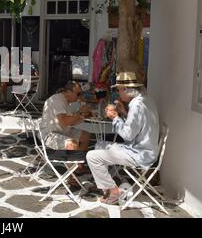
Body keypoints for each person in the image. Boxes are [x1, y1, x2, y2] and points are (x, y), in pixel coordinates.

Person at [86, 72, 160, 205]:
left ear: (126, 90)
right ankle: (107, 184)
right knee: (100, 145)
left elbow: (127, 135)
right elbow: (138, 126)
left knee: (92, 156)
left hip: (140, 154)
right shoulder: (146, 99)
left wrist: (115, 117)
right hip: (146, 150)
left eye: (119, 90)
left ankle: (114, 192)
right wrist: (123, 113)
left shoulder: (136, 105)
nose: (118, 93)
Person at [38, 81, 91, 179]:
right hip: (49, 135)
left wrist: (83, 114)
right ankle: (71, 176)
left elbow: (71, 122)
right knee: (72, 143)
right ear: (68, 91)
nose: (79, 96)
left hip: (62, 131)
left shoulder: (67, 102)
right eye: (78, 94)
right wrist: (80, 114)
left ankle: (78, 166)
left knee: (85, 136)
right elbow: (64, 121)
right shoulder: (58, 100)